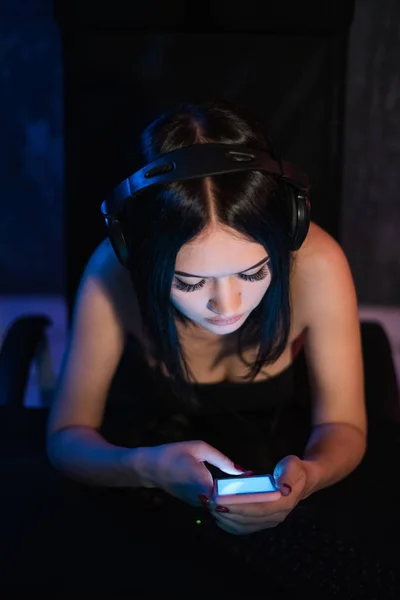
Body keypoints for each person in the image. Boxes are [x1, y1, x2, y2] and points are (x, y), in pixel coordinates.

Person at [46, 99, 367, 545]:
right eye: (192, 283)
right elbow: (65, 438)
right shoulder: (112, 272)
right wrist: (146, 468)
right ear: (141, 259)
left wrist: (309, 476)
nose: (227, 304)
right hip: (145, 457)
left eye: (254, 273)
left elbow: (344, 427)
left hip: (281, 449)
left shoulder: (318, 263)